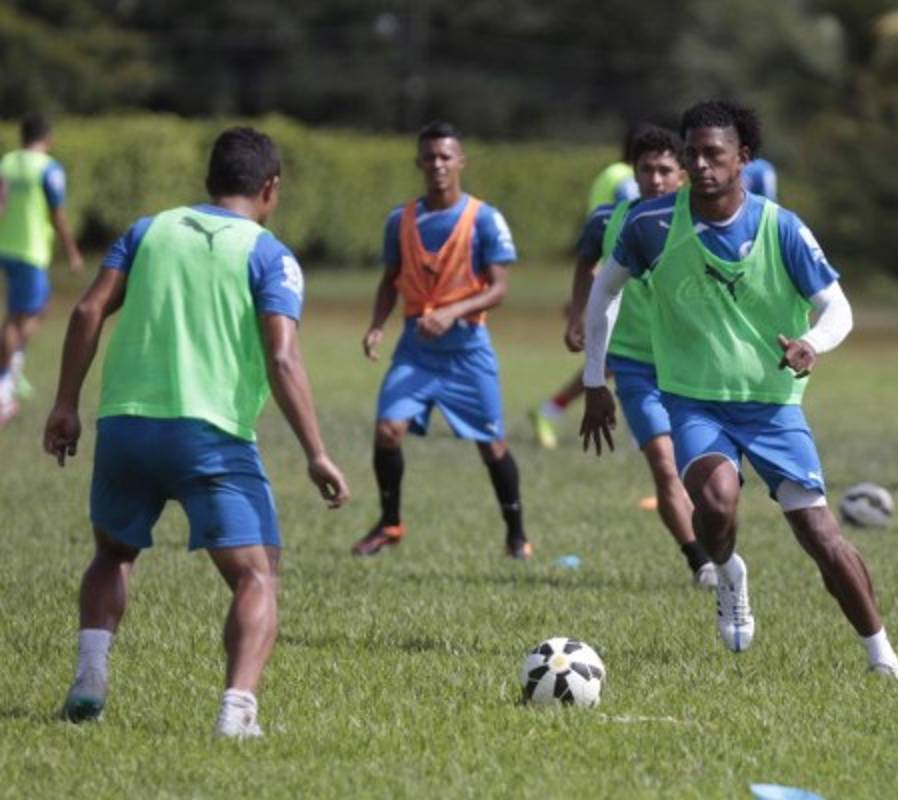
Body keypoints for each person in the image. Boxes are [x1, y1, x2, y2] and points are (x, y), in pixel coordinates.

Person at [580, 100, 898, 677]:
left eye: (714, 154)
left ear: (743, 160)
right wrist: (593, 381)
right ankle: (727, 571)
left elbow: (838, 309)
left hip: (773, 405)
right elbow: (605, 292)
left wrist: (814, 345)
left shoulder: (782, 227)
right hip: (694, 400)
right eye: (692, 153)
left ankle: (882, 655)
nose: (701, 164)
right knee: (716, 501)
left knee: (821, 535)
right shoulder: (649, 224)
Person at [43, 127, 350, 737]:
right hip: (210, 434)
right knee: (256, 573)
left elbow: (85, 311)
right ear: (271, 188)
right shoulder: (269, 254)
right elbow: (283, 359)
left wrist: (65, 404)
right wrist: (316, 452)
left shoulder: (147, 231)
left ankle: (90, 676)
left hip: (125, 424)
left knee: (113, 552)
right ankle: (237, 710)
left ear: (210, 180)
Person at [354, 121, 531, 559]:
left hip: (468, 351)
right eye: (429, 157)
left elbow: (499, 288)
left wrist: (452, 312)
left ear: (461, 162)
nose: (437, 165)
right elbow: (390, 280)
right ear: (419, 162)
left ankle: (516, 535)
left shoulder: (484, 219)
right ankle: (390, 523)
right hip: (416, 351)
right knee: (387, 430)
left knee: (492, 445)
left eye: (445, 157)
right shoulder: (401, 220)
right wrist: (377, 324)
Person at [563, 124, 715, 589]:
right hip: (633, 362)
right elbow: (586, 265)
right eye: (646, 169)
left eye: (665, 169)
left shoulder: (703, 222)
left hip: (692, 362)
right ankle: (700, 561)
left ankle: (718, 544)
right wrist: (577, 316)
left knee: (705, 470)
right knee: (664, 463)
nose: (655, 178)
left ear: (683, 174)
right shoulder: (608, 219)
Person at [529, 125, 642, 449]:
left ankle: (553, 409)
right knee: (621, 356)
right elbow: (625, 228)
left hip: (604, 277)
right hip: (616, 281)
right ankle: (553, 409)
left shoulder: (608, 174)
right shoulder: (625, 180)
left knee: (615, 358)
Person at [0, 114, 84, 424]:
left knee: (37, 307)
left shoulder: (7, 162)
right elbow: (57, 214)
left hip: (7, 245)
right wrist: (72, 250)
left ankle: (13, 365)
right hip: (30, 248)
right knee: (16, 315)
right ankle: (4, 383)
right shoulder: (48, 168)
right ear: (48, 137)